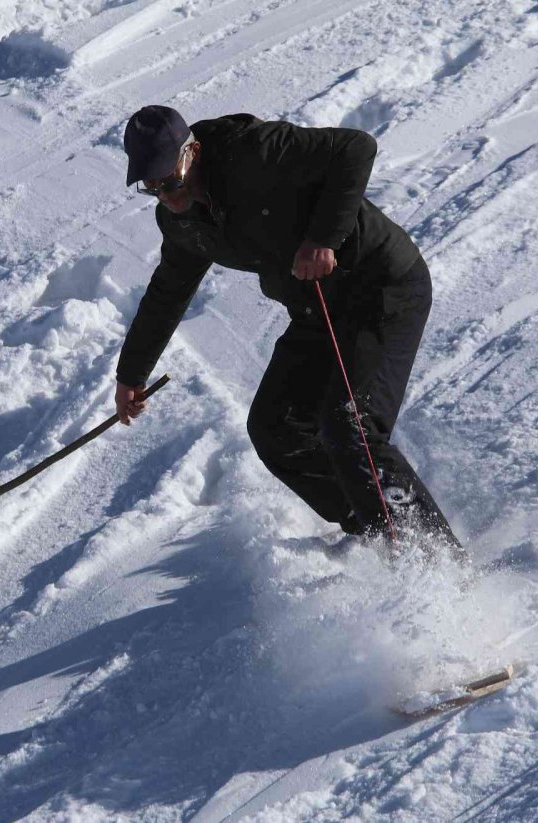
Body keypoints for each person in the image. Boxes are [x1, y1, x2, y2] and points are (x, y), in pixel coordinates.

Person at [114, 105, 465, 563]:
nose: (166, 194)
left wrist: (324, 238)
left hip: (379, 290)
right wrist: (131, 374)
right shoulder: (181, 221)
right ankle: (375, 530)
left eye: (171, 180)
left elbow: (355, 148)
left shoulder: (254, 151)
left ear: (192, 153)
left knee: (349, 426)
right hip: (317, 310)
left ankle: (439, 563)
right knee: (275, 429)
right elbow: (168, 292)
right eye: (152, 187)